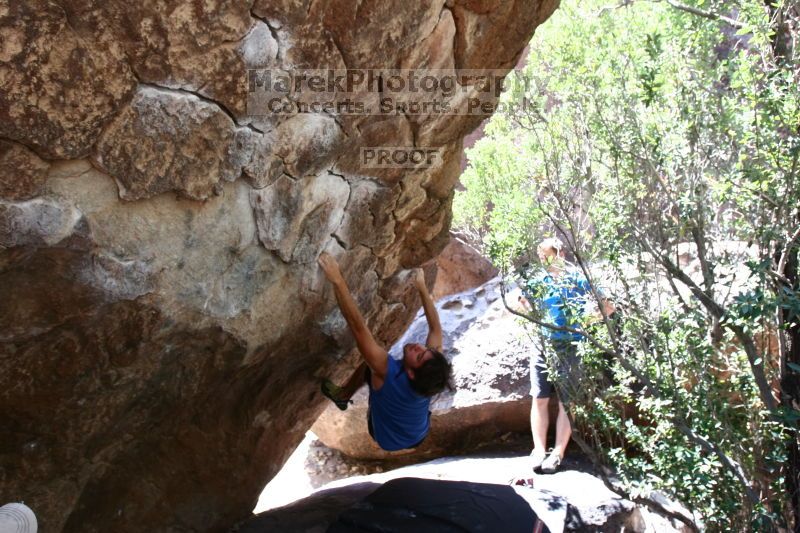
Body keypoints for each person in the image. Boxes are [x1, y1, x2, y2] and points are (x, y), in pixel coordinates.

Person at [318, 252, 453, 452]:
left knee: (372, 367)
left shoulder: (388, 373)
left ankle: (343, 395)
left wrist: (337, 279)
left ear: (411, 373)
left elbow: (358, 327)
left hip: (385, 438)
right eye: (426, 350)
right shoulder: (430, 375)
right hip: (418, 434)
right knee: (376, 366)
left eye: (419, 355)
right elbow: (435, 329)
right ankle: (345, 396)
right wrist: (422, 287)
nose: (419, 347)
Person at [518, 238, 614, 474]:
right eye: (540, 255)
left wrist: (583, 322)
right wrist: (528, 311)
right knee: (539, 397)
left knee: (566, 401)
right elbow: (524, 304)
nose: (543, 259)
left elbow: (609, 306)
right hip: (543, 345)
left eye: (546, 255)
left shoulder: (577, 279)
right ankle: (539, 451)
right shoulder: (538, 280)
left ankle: (558, 453)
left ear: (560, 254)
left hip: (571, 345)